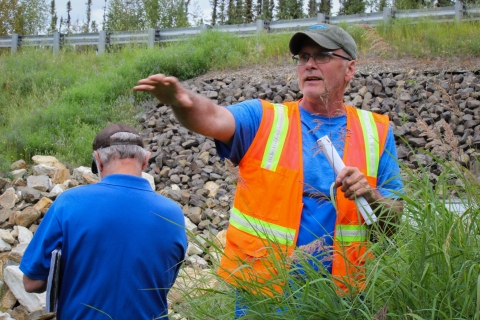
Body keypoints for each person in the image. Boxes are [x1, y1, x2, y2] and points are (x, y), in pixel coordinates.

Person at [134, 23, 403, 313]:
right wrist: (183, 102)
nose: (309, 64)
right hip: (265, 296)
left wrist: (371, 195)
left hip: (346, 297)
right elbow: (213, 118)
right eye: (303, 57)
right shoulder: (264, 118)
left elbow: (394, 221)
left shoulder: (375, 131)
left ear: (350, 69)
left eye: (322, 55)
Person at [20, 123, 188, 319]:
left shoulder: (69, 203)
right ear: (145, 161)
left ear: (98, 160)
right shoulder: (173, 214)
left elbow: (32, 283)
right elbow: (165, 281)